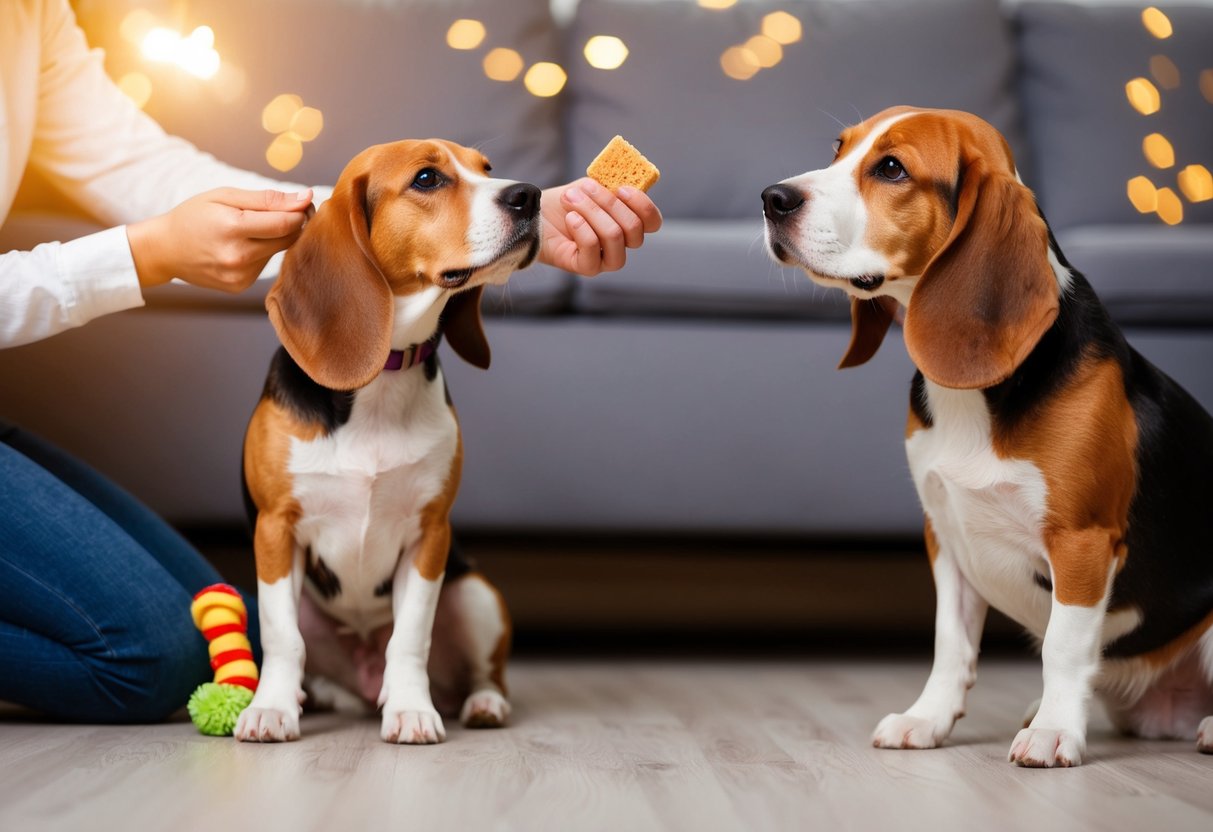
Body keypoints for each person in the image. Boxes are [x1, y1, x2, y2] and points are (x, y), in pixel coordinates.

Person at [0, 0, 662, 723]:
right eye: (435, 182)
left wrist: (516, 219)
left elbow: (138, 165)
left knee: (224, 629)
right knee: (147, 660)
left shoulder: (33, 12)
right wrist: (148, 253)